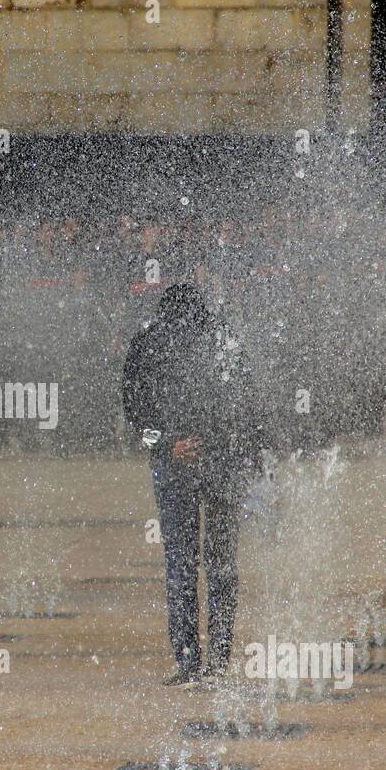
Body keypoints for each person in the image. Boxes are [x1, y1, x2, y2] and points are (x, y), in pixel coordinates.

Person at [121, 282, 256, 687]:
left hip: (176, 465)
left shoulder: (147, 342)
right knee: (221, 565)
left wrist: (165, 445)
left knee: (181, 563)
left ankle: (186, 661)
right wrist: (236, 452)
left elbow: (133, 421)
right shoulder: (222, 336)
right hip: (222, 464)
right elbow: (247, 405)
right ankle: (217, 661)